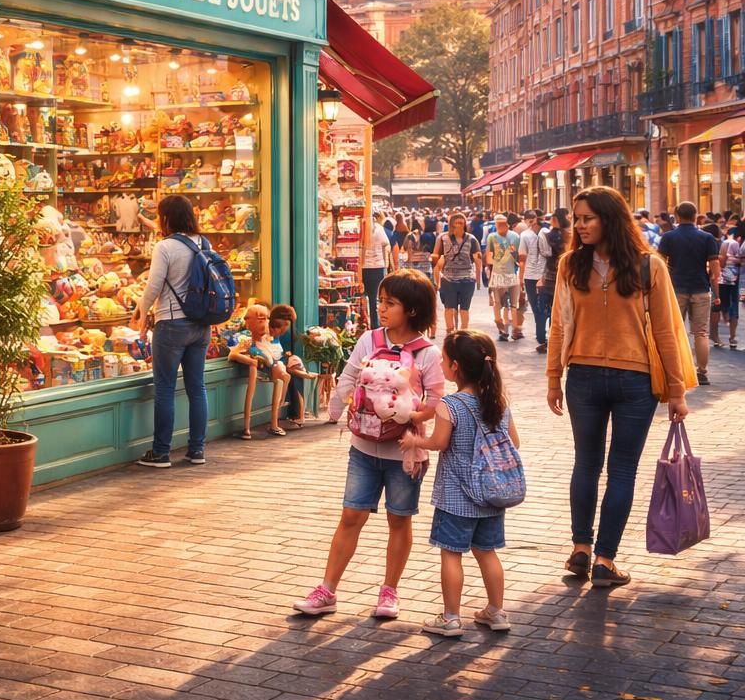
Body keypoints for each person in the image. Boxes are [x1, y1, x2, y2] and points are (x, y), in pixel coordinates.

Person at [547, 186, 691, 589]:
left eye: (587, 218)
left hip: (629, 379)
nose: (579, 225)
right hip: (596, 377)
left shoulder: (649, 267)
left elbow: (666, 331)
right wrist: (553, 378)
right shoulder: (570, 265)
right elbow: (559, 325)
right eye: (577, 218)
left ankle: (594, 553)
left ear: (611, 219)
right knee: (599, 466)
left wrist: (676, 391)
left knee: (605, 467)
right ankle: (592, 554)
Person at [292, 270, 445, 619]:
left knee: (399, 520)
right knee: (350, 515)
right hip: (363, 448)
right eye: (381, 301)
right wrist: (336, 405)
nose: (382, 309)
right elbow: (348, 377)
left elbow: (436, 400)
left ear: (413, 310)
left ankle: (389, 592)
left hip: (405, 453)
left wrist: (411, 418)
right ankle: (327, 590)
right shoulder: (368, 340)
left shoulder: (427, 354)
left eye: (390, 303)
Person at [401, 330, 519, 637]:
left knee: (451, 554)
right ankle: (496, 611)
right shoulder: (498, 402)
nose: (440, 363)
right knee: (487, 552)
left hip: (455, 498)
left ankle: (451, 617)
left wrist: (416, 440)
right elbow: (514, 442)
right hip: (491, 497)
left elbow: (440, 443)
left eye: (443, 359)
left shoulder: (450, 405)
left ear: (456, 367)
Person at [130, 194, 211, 466]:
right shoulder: (203, 242)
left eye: (159, 215)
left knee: (165, 389)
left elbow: (154, 285)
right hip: (200, 325)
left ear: (166, 218)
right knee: (197, 387)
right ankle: (197, 450)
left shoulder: (165, 246)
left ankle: (161, 452)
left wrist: (142, 315)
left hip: (172, 324)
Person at [657, 201, 720, 385]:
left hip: (676, 288)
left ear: (676, 216)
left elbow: (659, 265)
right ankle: (702, 372)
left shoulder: (668, 237)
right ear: (695, 216)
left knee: (675, 331)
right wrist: (713, 284)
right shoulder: (707, 238)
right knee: (701, 332)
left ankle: (676, 372)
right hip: (700, 287)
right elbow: (715, 270)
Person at [227, 303, 290, 440]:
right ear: (250, 322)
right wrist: (250, 360)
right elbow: (232, 355)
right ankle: (247, 427)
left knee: (282, 375)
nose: (266, 323)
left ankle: (274, 422)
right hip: (255, 368)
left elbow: (277, 354)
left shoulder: (270, 339)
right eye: (261, 320)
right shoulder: (245, 339)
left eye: (267, 319)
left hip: (271, 367)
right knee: (257, 373)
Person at [432, 213, 482, 334]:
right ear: (451, 224)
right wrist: (436, 279)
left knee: (464, 309)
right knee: (449, 307)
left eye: (461, 223)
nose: (459, 225)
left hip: (467, 279)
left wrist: (478, 280)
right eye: (456, 223)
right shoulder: (443, 238)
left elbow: (478, 259)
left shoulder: (471, 239)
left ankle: (464, 333)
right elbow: (435, 257)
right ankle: (450, 332)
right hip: (449, 279)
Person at [269, 303, 314, 428]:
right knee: (294, 371)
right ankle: (297, 413)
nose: (287, 328)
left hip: (281, 360)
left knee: (295, 368)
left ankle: (298, 412)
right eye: (287, 324)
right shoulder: (275, 332)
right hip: (274, 363)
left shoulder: (283, 333)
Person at [536, 208, 569, 353]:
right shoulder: (570, 235)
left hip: (550, 277)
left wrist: (540, 277)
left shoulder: (546, 236)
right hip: (565, 276)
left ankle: (551, 340)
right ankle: (561, 340)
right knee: (563, 311)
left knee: (551, 311)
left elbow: (545, 254)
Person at [518, 210, 551, 353]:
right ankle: (543, 338)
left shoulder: (545, 234)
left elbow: (522, 257)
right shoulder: (528, 235)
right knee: (541, 308)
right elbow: (522, 257)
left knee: (540, 307)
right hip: (536, 275)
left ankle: (542, 338)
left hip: (538, 275)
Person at [485, 215, 520, 342]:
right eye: (497, 224)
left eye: (502, 224)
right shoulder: (492, 237)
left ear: (507, 224)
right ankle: (502, 330)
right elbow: (489, 256)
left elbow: (515, 254)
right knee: (498, 304)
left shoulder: (515, 237)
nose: (499, 226)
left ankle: (507, 330)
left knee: (509, 305)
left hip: (511, 274)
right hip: (497, 275)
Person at [362, 212, 392, 326]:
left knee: (363, 297)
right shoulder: (379, 228)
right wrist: (386, 264)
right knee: (374, 298)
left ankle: (365, 323)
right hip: (378, 267)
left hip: (364, 267)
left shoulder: (361, 227)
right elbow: (386, 245)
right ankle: (375, 325)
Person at [720, 226, 743, 349]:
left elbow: (722, 261)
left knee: (724, 304)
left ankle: (727, 322)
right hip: (736, 279)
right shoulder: (736, 244)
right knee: (734, 305)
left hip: (723, 278)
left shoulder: (724, 243)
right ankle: (732, 336)